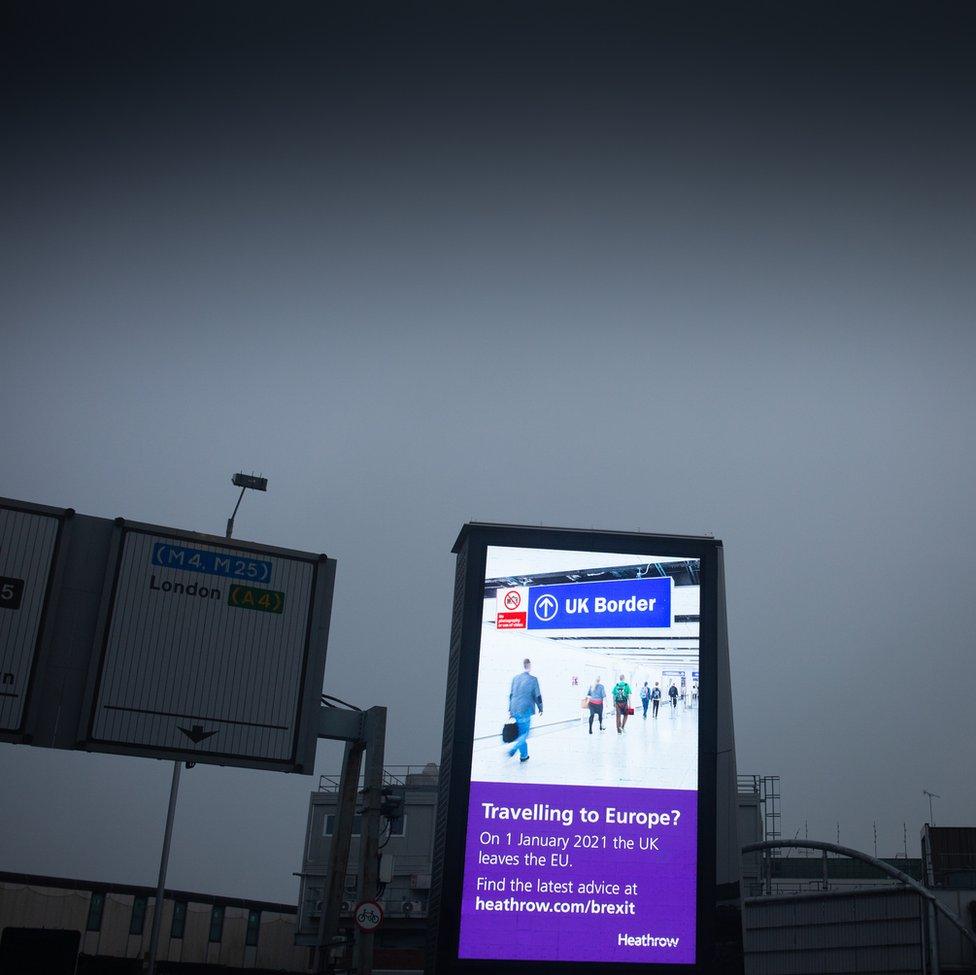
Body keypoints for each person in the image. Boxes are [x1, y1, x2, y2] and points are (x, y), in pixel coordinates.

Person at [507, 658, 542, 762]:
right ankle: (513, 749)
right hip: (525, 709)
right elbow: (538, 696)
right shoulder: (533, 679)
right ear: (529, 666)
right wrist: (541, 708)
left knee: (521, 733)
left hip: (514, 708)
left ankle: (524, 756)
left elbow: (511, 695)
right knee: (525, 733)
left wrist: (510, 710)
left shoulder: (515, 678)